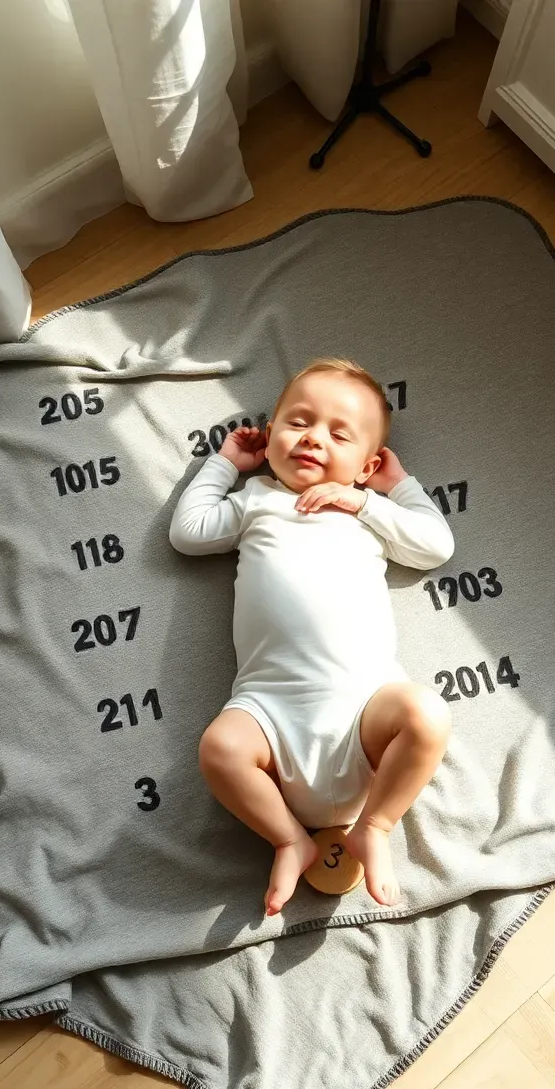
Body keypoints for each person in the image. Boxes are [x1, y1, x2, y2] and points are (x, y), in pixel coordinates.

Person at [169, 358, 454, 916]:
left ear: (366, 464)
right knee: (219, 748)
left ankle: (376, 823)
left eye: (338, 433)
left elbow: (435, 546)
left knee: (428, 715)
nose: (312, 438)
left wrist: (386, 493)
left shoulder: (367, 513)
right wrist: (226, 464)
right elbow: (189, 532)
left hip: (366, 712)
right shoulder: (255, 502)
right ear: (270, 435)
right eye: (297, 422)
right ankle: (287, 838)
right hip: (270, 714)